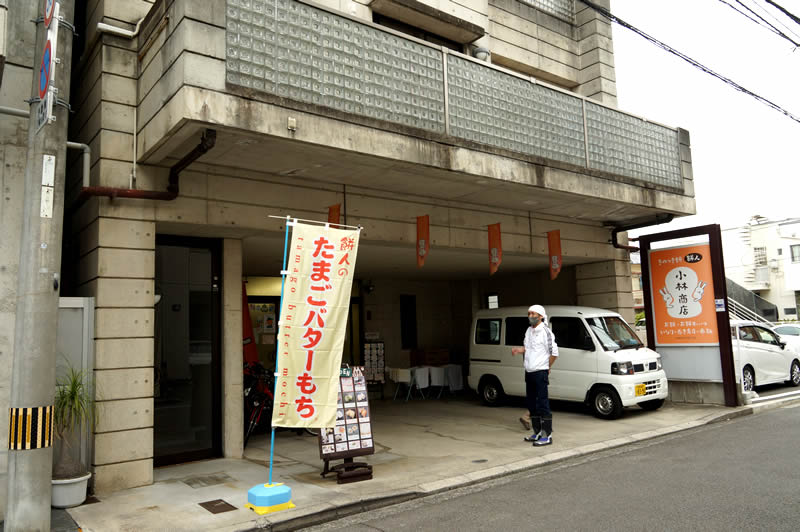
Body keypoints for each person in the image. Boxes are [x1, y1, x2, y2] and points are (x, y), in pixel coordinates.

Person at [511, 304, 558, 446]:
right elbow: (528, 348)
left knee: (543, 403)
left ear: (541, 316)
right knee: (531, 403)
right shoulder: (528, 331)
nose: (530, 316)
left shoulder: (546, 332)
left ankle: (547, 435)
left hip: (540, 372)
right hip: (529, 372)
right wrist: (520, 350)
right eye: (529, 313)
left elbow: (554, 353)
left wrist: (547, 367)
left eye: (533, 314)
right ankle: (537, 432)